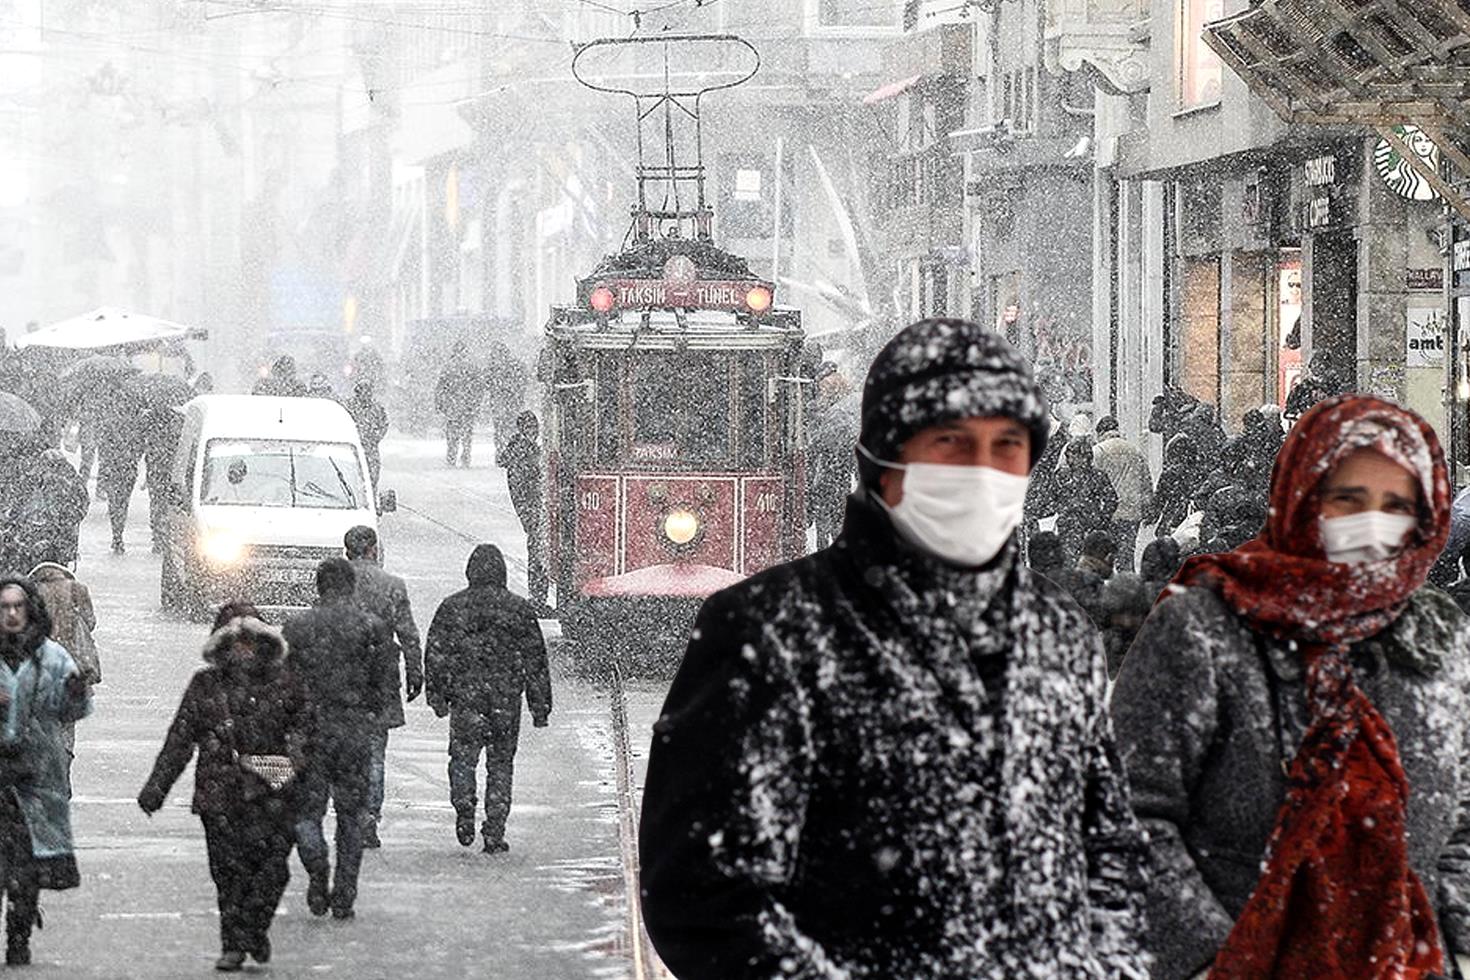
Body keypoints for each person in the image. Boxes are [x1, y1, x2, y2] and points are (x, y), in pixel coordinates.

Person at [639, 318, 1147, 978]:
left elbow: (1108, 846)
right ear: (883, 461)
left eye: (1006, 448)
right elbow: (699, 893)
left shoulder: (1055, 630)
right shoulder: (765, 630)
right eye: (949, 446)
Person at [1112, 395, 1470, 979]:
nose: (1371, 523)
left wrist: (1453, 936)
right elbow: (1129, 812)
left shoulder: (1437, 634)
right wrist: (1211, 958)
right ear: (1303, 498)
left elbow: (1461, 817)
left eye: (1396, 504)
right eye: (1348, 499)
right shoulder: (1204, 626)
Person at [137, 603, 311, 973]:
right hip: (221, 795)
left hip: (273, 794)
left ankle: (255, 927)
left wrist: (297, 762)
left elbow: (306, 731)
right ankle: (233, 943)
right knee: (228, 874)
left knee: (273, 870)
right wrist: (157, 788)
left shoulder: (286, 682)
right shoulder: (206, 685)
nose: (242, 649)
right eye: (235, 641)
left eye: (249, 641)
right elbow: (180, 740)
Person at [282, 559, 392, 920]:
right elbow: (383, 684)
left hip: (310, 734)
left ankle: (316, 864)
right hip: (354, 732)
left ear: (319, 587)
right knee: (351, 816)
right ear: (351, 586)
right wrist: (368, 712)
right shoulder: (372, 628)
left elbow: (285, 686)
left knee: (306, 812)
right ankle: (345, 891)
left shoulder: (297, 628)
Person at [423, 544, 551, 853]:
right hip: (505, 700)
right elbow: (535, 660)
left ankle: (464, 805)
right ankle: (495, 830)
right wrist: (540, 705)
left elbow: (436, 655)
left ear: (470, 572)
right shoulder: (519, 609)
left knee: (463, 758)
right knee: (501, 763)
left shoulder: (452, 607)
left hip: (466, 699)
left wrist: (437, 695)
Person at [0, 577, 90, 966]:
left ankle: (18, 936)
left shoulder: (53, 658)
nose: (12, 614)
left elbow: (72, 710)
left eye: (18, 606)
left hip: (35, 778)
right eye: (4, 607)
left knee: (25, 866)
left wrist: (74, 694)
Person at [342, 526, 422, 850]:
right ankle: (369, 817)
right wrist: (415, 673)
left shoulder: (336, 585)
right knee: (375, 752)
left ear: (347, 550)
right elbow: (409, 635)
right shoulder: (392, 586)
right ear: (374, 549)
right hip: (380, 677)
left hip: (342, 678)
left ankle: (348, 813)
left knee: (344, 751)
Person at [28, 562, 97, 776]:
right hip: (73, 668)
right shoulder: (78, 590)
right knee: (67, 721)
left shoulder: (31, 594)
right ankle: (64, 762)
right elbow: (91, 622)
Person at [495, 412, 549, 609]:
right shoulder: (525, 451)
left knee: (537, 549)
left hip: (530, 509)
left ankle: (538, 597)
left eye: (535, 429)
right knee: (537, 550)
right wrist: (531, 512)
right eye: (531, 428)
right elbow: (524, 486)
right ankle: (538, 599)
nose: (534, 432)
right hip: (533, 509)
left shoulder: (519, 449)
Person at [1093, 416, 1154, 571]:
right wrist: (1147, 506)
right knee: (1127, 555)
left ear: (1100, 432)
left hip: (1108, 512)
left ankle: (1110, 587)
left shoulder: (1099, 451)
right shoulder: (1135, 450)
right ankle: (1127, 586)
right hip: (1132, 510)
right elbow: (1146, 482)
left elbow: (1092, 481)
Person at [95, 392, 146, 554]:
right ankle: (118, 534)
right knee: (122, 502)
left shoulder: (110, 423)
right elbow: (140, 447)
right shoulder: (135, 424)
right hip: (125, 469)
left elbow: (103, 449)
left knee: (116, 503)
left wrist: (106, 467)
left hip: (116, 469)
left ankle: (117, 534)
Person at [1053, 435, 1118, 562]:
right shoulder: (1062, 475)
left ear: (1084, 457)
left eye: (1073, 456)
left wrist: (1102, 519)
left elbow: (1111, 499)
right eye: (1068, 456)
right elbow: (1053, 497)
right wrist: (1063, 510)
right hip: (1068, 529)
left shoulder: (1097, 476)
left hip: (1089, 528)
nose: (1069, 460)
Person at [434, 342, 488, 468]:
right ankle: (466, 456)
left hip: (452, 406)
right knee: (467, 434)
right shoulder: (472, 367)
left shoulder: (448, 367)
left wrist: (439, 404)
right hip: (468, 406)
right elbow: (479, 387)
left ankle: (452, 456)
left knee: (452, 434)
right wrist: (476, 403)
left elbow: (441, 387)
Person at [142, 403, 184, 555]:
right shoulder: (178, 420)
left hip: (157, 469)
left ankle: (159, 536)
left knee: (157, 502)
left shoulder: (148, 419)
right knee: (167, 503)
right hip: (168, 470)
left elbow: (143, 444)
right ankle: (163, 535)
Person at [344, 382, 389, 493]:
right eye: (363, 392)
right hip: (351, 448)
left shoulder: (377, 408)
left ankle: (370, 498)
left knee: (371, 479)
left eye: (368, 392)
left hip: (370, 448)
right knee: (351, 477)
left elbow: (384, 424)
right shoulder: (349, 406)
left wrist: (375, 438)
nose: (366, 395)